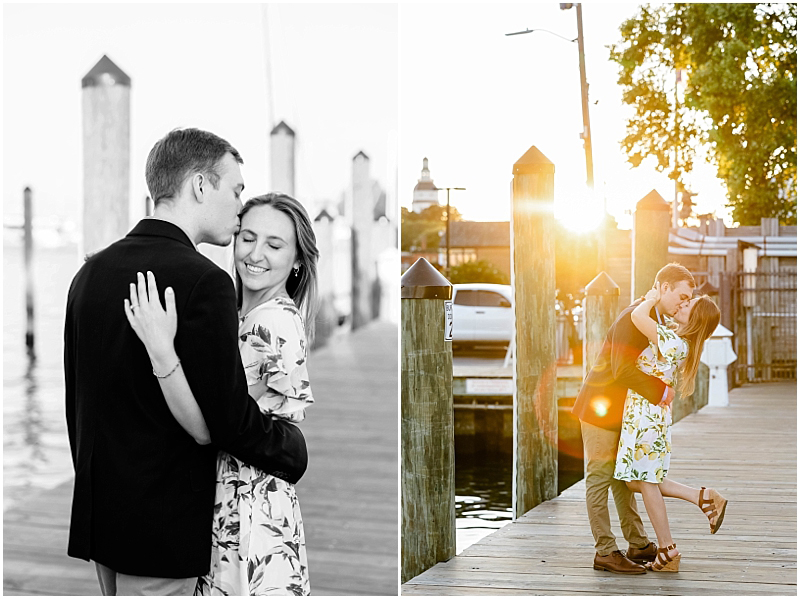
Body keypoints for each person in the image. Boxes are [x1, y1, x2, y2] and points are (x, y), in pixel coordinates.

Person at [64, 128, 307, 595]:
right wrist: (291, 449)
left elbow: (79, 404)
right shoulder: (204, 282)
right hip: (162, 527)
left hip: (101, 521)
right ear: (200, 185)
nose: (239, 206)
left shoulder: (88, 273)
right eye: (235, 190)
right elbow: (227, 422)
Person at [125, 194, 319, 595]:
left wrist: (161, 349)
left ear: (298, 260)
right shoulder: (237, 314)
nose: (255, 254)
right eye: (247, 237)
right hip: (226, 490)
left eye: (274, 244)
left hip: (248, 499)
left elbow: (209, 421)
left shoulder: (274, 324)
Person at [571, 263, 695, 574]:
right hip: (601, 408)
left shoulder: (651, 318)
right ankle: (605, 551)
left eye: (688, 299)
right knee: (600, 478)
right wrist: (661, 390)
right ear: (663, 288)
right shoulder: (635, 317)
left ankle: (638, 544)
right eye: (681, 295)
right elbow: (621, 369)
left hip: (623, 414)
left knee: (623, 479)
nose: (684, 302)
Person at [614, 286, 725, 572]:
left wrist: (650, 298)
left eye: (688, 305)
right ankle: (701, 497)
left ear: (695, 318)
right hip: (645, 412)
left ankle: (668, 549)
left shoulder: (675, 342)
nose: (682, 305)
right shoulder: (675, 338)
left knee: (645, 480)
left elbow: (639, 317)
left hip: (645, 415)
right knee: (634, 481)